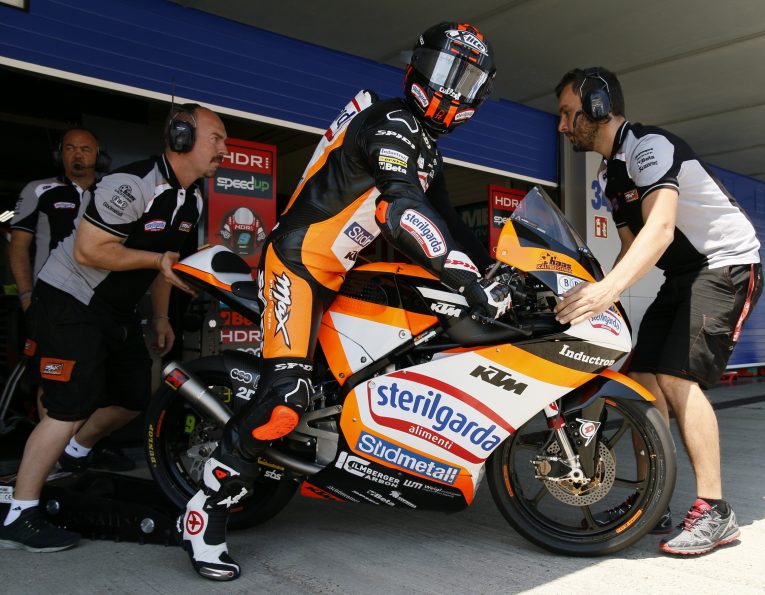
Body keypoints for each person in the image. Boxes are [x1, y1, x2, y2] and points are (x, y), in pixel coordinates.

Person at [179, 22, 510, 581]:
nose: (454, 88)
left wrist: (500, 272)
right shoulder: (390, 122)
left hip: (345, 273)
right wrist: (470, 281)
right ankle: (204, 511)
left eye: (468, 78)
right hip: (298, 264)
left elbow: (454, 227)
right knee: (288, 396)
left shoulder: (428, 151)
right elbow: (405, 210)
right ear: (420, 66)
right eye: (448, 70)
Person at [553, 67, 764, 555]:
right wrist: (599, 299)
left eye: (568, 113)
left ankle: (715, 512)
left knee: (676, 377)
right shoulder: (611, 175)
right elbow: (632, 249)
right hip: (683, 276)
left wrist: (607, 291)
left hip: (727, 264)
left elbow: (661, 229)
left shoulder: (649, 147)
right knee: (642, 378)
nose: (563, 126)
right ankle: (653, 503)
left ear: (599, 107)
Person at [0, 103, 228, 553]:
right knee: (68, 407)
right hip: (68, 300)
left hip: (116, 311)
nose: (224, 148)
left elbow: (167, 268)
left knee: (131, 399)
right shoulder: (130, 184)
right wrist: (158, 261)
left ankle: (72, 457)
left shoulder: (193, 197)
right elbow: (90, 251)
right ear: (182, 138)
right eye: (216, 138)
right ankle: (19, 514)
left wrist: (161, 316)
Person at [8, 127, 132, 471]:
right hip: (52, 302)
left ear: (98, 155)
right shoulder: (39, 190)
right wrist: (26, 296)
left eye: (86, 149)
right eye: (71, 149)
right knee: (54, 379)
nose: (78, 155)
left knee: (99, 378)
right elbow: (19, 246)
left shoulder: (113, 192)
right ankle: (50, 457)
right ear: (59, 154)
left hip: (99, 304)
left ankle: (85, 448)